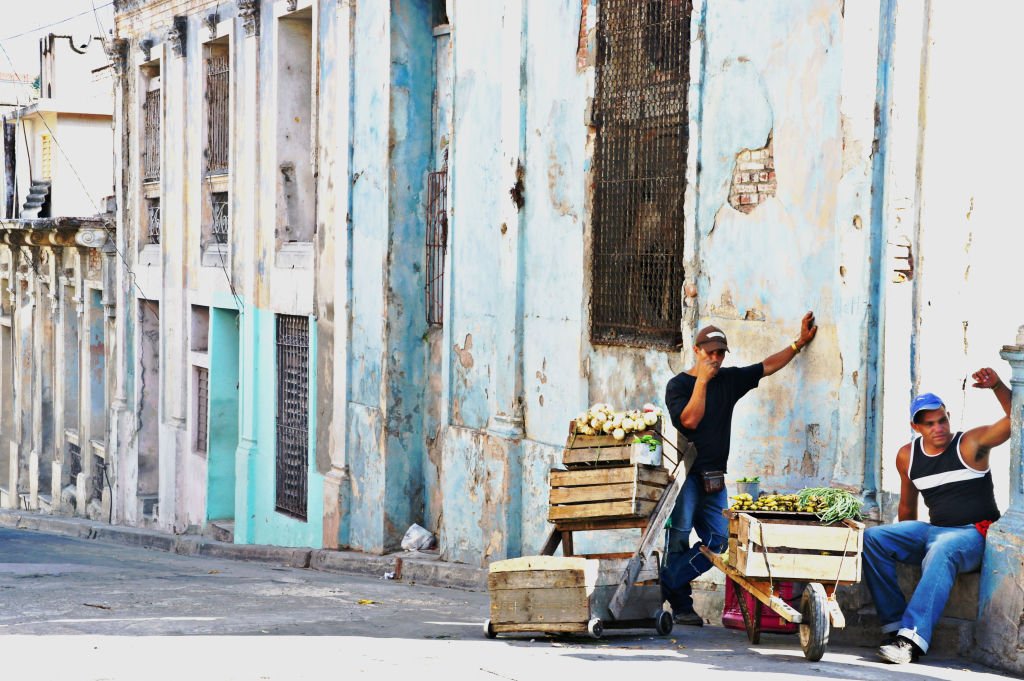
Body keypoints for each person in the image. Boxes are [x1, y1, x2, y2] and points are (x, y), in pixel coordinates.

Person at [661, 312, 818, 625]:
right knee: (677, 538)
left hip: (715, 478)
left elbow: (766, 366)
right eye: (711, 353)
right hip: (685, 476)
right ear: (696, 350)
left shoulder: (730, 381)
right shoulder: (678, 385)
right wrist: (702, 381)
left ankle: (666, 582)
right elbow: (690, 421)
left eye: (720, 353)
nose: (716, 359)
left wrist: (798, 343)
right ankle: (681, 605)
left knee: (720, 541)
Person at [866, 368, 1010, 664]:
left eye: (942, 419)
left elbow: (1017, 421)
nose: (938, 428)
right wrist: (903, 539)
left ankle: (911, 640)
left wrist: (996, 386)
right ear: (916, 427)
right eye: (929, 424)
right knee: (873, 538)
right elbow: (907, 508)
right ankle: (894, 627)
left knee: (943, 548)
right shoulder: (908, 456)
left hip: (973, 534)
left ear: (948, 416)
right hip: (935, 530)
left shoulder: (970, 444)